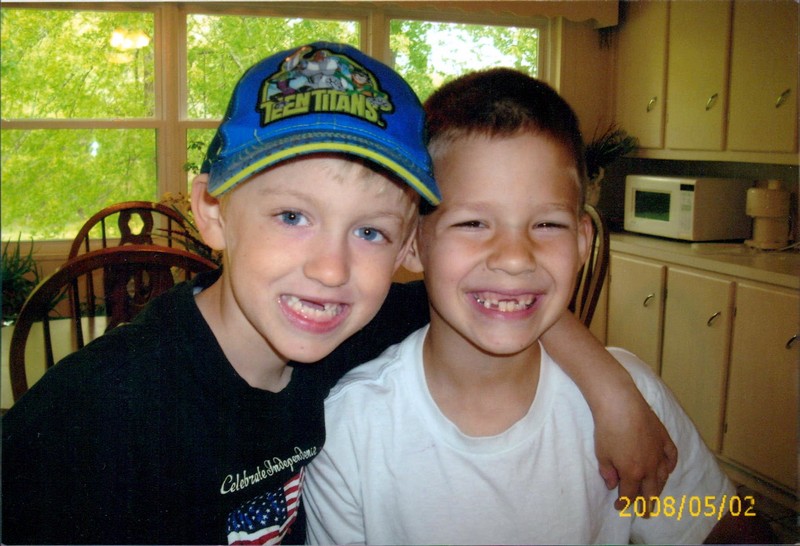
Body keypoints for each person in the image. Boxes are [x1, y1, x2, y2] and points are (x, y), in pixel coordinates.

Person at [3, 44, 673, 545]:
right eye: (292, 215)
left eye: (370, 231)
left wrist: (612, 390)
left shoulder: (360, 324)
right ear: (211, 211)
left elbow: (502, 297)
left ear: (407, 247)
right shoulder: (95, 413)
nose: (331, 269)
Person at [303, 68, 774, 545]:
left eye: (548, 225)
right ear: (412, 244)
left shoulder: (632, 401)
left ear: (582, 242)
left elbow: (721, 525)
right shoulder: (349, 429)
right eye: (472, 223)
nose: (515, 258)